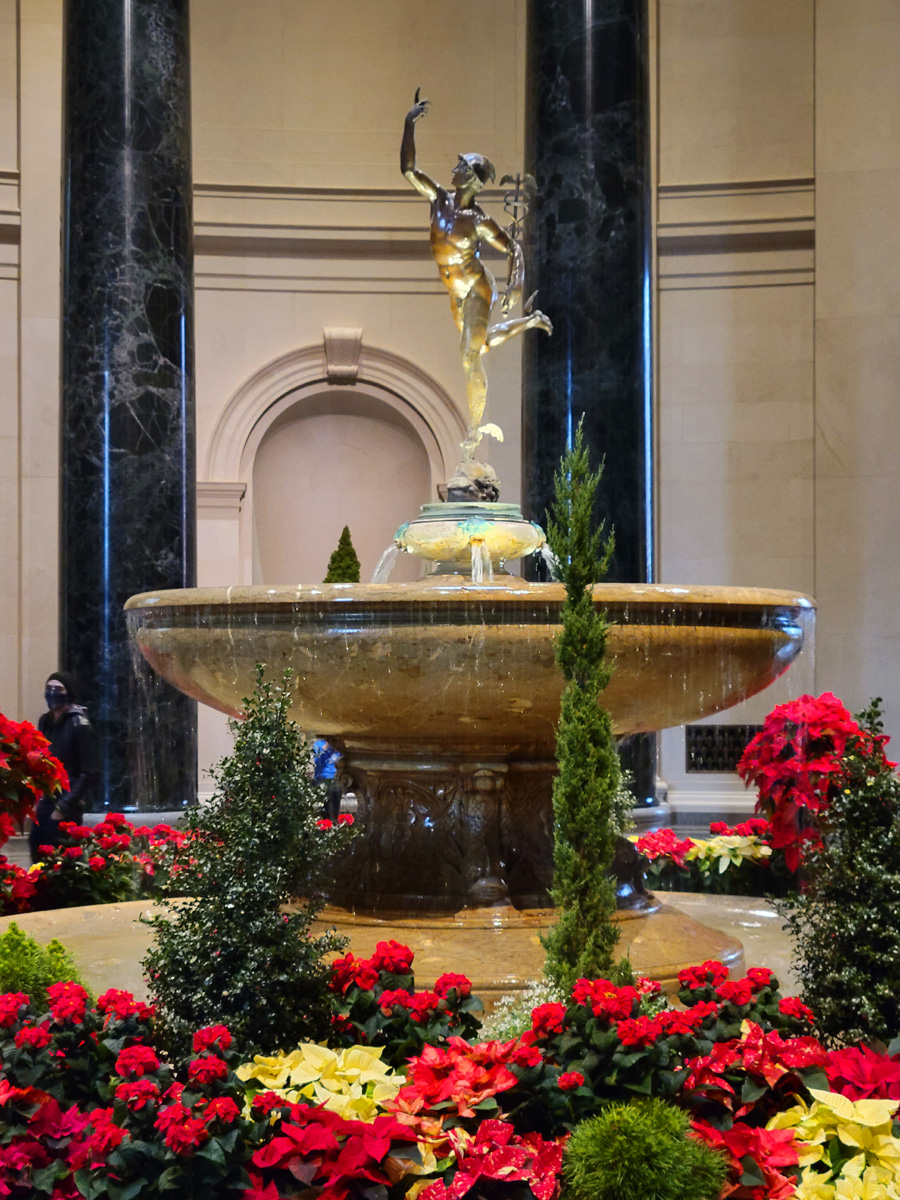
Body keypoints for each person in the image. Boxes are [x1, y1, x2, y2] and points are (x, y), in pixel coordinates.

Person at [401, 90, 552, 460]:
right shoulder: (439, 199)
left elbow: (513, 248)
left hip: (477, 288)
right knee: (480, 346)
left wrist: (516, 284)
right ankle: (530, 321)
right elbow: (409, 170)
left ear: (471, 179)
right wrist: (409, 124)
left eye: (460, 167)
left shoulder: (478, 220)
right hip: (455, 292)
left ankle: (473, 433)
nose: (453, 169)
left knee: (470, 356)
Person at [30, 671, 99, 862]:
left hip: (67, 802)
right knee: (37, 846)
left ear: (69, 692)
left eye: (58, 689)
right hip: (47, 799)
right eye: (49, 688)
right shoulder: (45, 721)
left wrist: (64, 806)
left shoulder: (79, 724)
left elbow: (89, 771)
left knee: (60, 858)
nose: (52, 692)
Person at [312, 737, 342, 823]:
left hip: (335, 778)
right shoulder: (318, 744)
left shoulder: (338, 746)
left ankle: (334, 824)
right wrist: (326, 747)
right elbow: (318, 761)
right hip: (322, 778)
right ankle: (324, 824)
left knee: (336, 804)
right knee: (324, 807)